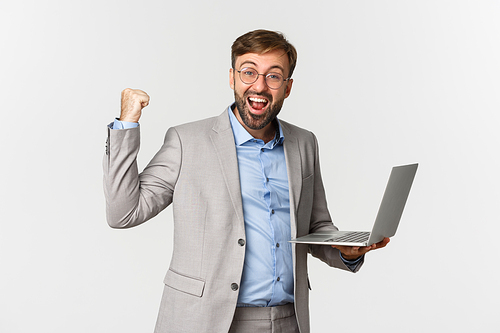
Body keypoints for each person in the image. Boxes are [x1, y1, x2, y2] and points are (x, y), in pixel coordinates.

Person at [103, 29, 389, 333]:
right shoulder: (187, 141)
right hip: (205, 320)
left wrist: (345, 250)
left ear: (288, 87)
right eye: (249, 72)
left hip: (288, 320)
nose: (260, 86)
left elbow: (315, 228)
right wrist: (127, 122)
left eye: (273, 76)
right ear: (232, 78)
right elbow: (123, 212)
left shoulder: (303, 143)